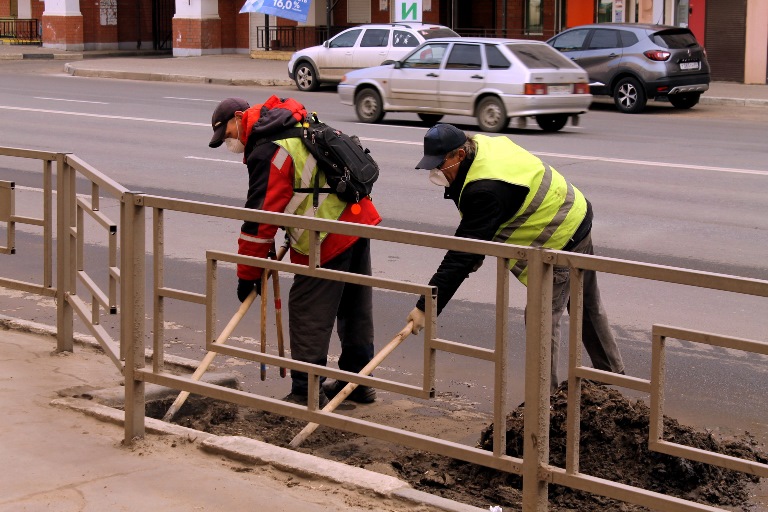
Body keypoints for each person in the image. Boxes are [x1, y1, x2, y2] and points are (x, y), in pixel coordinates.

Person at [405, 123, 625, 392]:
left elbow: (461, 253)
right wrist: (473, 252)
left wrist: (426, 306)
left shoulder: (485, 188)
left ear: (460, 155)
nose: (436, 172)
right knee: (586, 303)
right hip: (575, 212)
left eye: (440, 164)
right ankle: (612, 372)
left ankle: (544, 402)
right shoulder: (482, 147)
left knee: (542, 317)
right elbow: (475, 237)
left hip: (560, 237)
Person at [209, 95, 381, 407]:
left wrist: (248, 272)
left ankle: (305, 391)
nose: (229, 142)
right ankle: (358, 382)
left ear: (239, 117)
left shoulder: (268, 147)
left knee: (307, 307)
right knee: (354, 307)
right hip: (356, 218)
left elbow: (261, 216)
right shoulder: (292, 123)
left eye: (228, 134)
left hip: (327, 233)